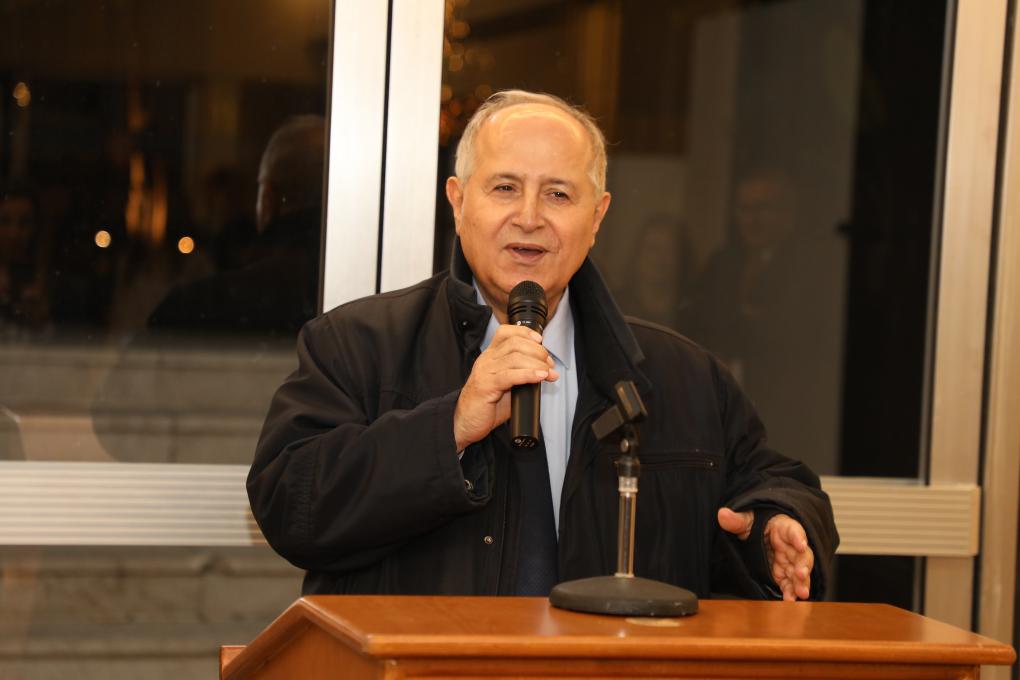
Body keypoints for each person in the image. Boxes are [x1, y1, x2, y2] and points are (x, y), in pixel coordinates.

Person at [248, 91, 838, 601]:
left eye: (558, 194)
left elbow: (775, 482)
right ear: (458, 201)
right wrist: (449, 428)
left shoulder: (680, 374)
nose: (528, 217)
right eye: (505, 187)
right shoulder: (357, 345)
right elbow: (289, 505)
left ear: (597, 216)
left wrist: (774, 527)